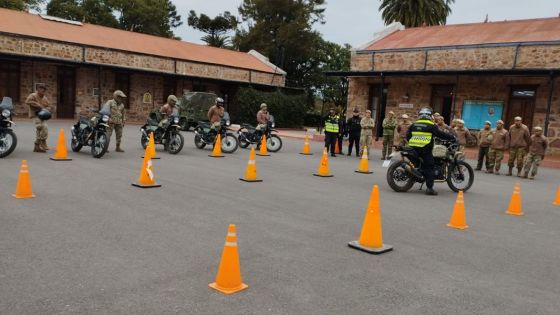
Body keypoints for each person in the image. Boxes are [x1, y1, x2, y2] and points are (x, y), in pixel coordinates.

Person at [407, 107, 456, 195]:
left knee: (419, 163)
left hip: (413, 148)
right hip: (425, 149)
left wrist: (413, 142)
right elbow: (441, 134)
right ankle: (429, 188)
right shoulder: (431, 125)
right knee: (430, 166)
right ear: (429, 116)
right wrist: (452, 137)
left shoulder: (414, 124)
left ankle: (418, 176)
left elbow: (408, 136)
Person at [26, 83, 51, 153]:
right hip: (35, 115)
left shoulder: (45, 98)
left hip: (42, 116)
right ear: (37, 89)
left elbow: (49, 106)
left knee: (39, 130)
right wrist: (37, 105)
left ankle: (37, 147)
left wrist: (46, 109)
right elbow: (27, 101)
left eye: (44, 90)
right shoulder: (33, 95)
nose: (43, 91)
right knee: (43, 127)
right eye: (41, 89)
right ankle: (43, 142)